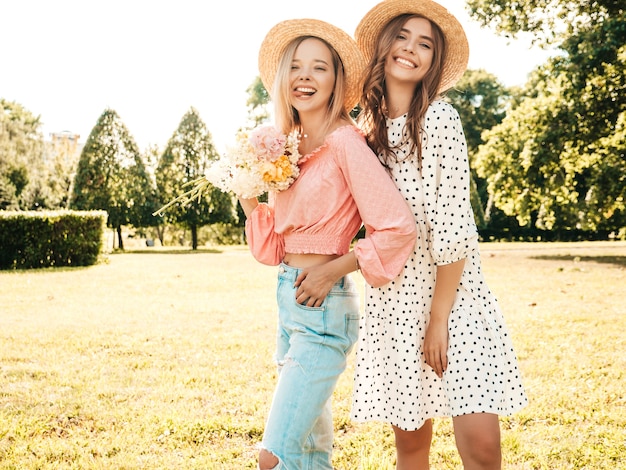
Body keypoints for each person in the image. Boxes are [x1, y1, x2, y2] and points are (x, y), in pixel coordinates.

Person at [350, 1, 529, 469]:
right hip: (395, 299)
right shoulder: (362, 133)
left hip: (453, 294)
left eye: (424, 44)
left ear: (433, 61)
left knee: (482, 445)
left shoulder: (440, 120)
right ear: (384, 47)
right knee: (410, 446)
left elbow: (454, 228)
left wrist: (438, 318)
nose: (411, 49)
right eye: (402, 37)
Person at [239, 18, 418, 470]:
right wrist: (247, 195)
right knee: (308, 454)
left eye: (319, 68)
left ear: (337, 79)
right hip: (289, 299)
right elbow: (274, 249)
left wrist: (333, 269)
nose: (305, 76)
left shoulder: (345, 142)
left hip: (325, 308)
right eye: (295, 66)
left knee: (274, 456)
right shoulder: (288, 146)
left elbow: (397, 227)